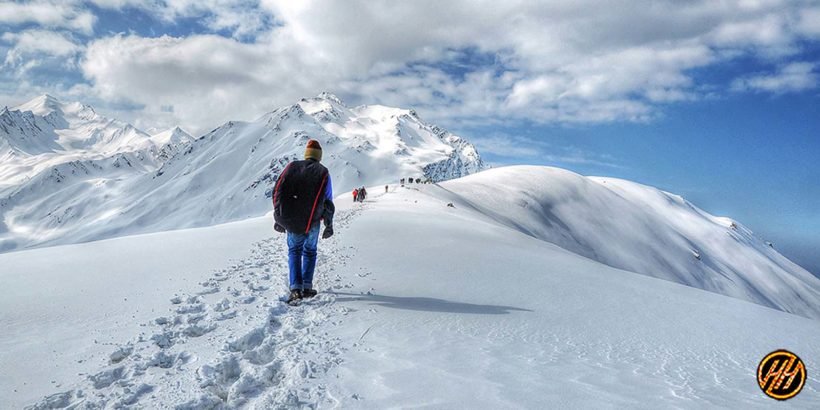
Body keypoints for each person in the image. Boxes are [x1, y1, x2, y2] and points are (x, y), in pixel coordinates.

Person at [273, 139, 335, 304]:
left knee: (294, 251)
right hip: (313, 221)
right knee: (309, 252)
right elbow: (328, 199)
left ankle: (295, 289)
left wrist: (279, 217)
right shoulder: (323, 172)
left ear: (306, 154)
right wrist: (329, 222)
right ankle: (307, 287)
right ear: (319, 156)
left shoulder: (292, 167)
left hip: (292, 220)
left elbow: (278, 191)